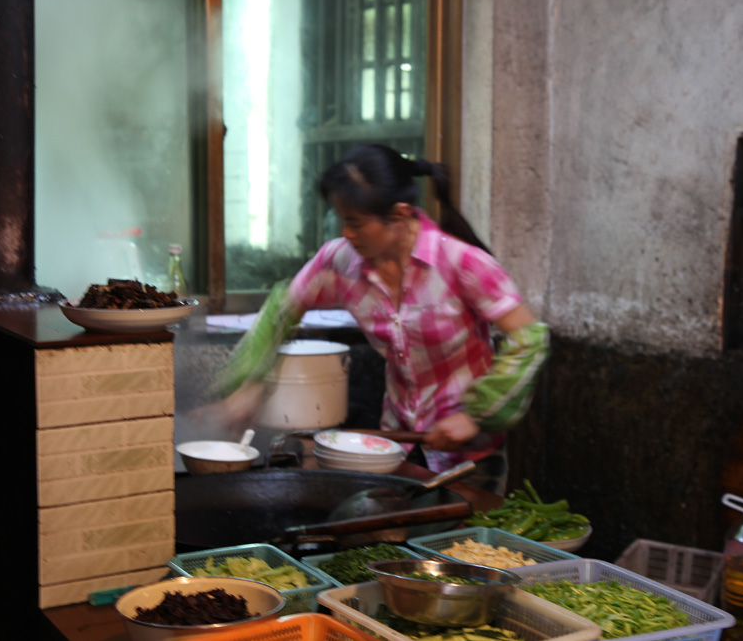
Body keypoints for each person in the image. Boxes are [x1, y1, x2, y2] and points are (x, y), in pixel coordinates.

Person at [215, 144, 549, 493]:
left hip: (470, 458)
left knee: (460, 546)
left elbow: (530, 339)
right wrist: (250, 384)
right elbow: (281, 312)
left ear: (400, 214)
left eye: (356, 222)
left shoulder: (462, 263)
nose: (346, 233)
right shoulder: (339, 263)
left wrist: (475, 415)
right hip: (395, 446)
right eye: (342, 220)